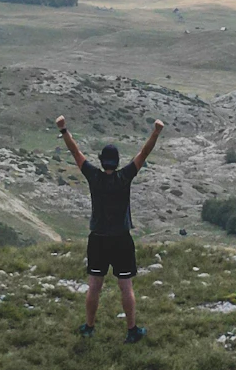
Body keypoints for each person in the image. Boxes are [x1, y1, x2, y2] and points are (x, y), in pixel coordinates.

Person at [55, 112, 163, 342]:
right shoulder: (125, 177)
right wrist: (155, 132)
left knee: (94, 286)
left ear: (102, 161)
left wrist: (64, 130)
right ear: (117, 161)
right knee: (126, 287)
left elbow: (75, 153)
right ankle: (132, 330)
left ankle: (89, 327)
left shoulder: (94, 177)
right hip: (121, 239)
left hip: (98, 239)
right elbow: (144, 154)